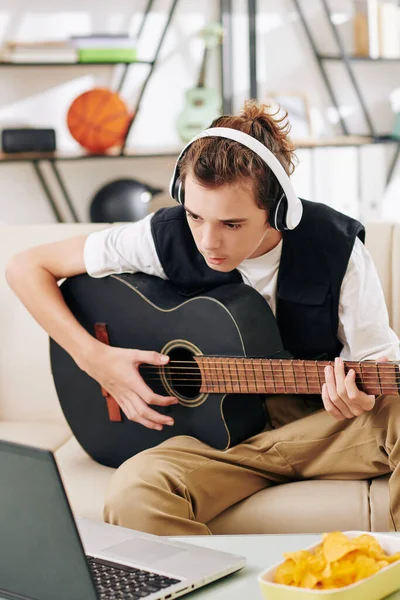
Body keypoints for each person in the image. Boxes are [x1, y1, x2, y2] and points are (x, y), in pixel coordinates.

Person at [6, 100, 400, 535]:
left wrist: (360, 399)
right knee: (133, 493)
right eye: (196, 216)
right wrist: (94, 358)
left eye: (232, 224)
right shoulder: (165, 235)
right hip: (212, 446)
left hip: (317, 429)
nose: (209, 242)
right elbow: (26, 268)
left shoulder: (335, 247)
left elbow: (377, 368)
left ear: (279, 212)